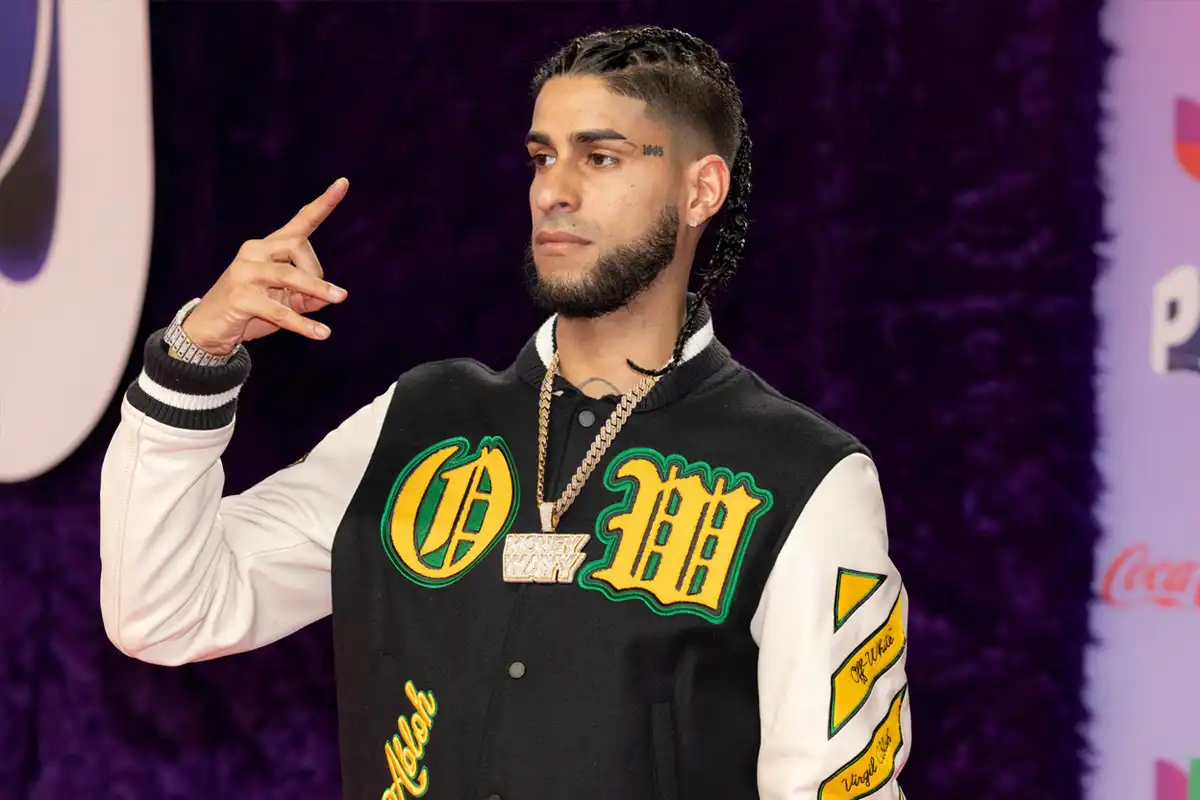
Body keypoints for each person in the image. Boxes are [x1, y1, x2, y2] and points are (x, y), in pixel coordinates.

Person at [99, 25, 911, 800]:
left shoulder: (805, 475)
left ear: (701, 189)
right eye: (542, 157)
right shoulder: (421, 421)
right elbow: (165, 613)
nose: (553, 191)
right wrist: (196, 357)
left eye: (600, 157)